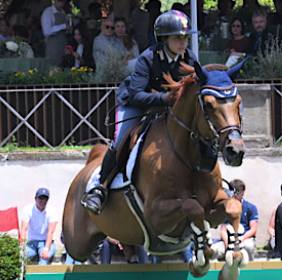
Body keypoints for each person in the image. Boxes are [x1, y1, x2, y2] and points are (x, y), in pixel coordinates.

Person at [82, 10, 200, 214]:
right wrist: (164, 99)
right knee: (121, 141)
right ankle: (100, 189)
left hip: (170, 108)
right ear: (164, 39)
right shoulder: (148, 58)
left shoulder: (189, 58)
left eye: (185, 38)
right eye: (177, 38)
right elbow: (136, 94)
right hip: (137, 104)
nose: (183, 43)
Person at [211, 179, 258, 261]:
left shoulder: (251, 208)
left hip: (244, 238)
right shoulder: (225, 208)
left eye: (238, 192)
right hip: (228, 239)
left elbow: (253, 229)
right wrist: (227, 243)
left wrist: (240, 240)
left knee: (248, 246)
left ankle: (250, 270)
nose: (235, 195)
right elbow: (223, 230)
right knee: (213, 251)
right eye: (233, 192)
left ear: (243, 192)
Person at [21, 188, 59, 265]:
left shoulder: (52, 211)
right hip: (31, 242)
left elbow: (50, 231)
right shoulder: (28, 209)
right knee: (20, 258)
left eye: (45, 198)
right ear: (35, 198)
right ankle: (19, 277)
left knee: (44, 260)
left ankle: (38, 277)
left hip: (46, 242)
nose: (43, 201)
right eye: (41, 198)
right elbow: (24, 229)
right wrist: (23, 246)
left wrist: (46, 249)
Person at [42, 0, 71, 66]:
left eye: (63, 2)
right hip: (53, 47)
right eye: (59, 1)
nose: (61, 3)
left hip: (63, 45)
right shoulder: (48, 12)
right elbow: (47, 32)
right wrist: (63, 26)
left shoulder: (63, 12)